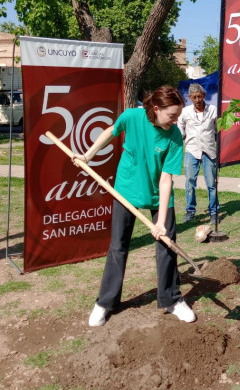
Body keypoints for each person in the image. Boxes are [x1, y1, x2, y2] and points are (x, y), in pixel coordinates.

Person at [72, 85, 196, 327]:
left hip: (158, 195)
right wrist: (87, 156)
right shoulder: (131, 117)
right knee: (118, 246)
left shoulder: (173, 136)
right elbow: (110, 131)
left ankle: (171, 300)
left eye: (178, 116)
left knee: (167, 245)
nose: (176, 120)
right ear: (157, 109)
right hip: (126, 190)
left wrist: (160, 222)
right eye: (172, 115)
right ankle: (105, 303)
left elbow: (166, 178)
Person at [178, 83, 219, 224]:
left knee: (212, 183)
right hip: (191, 150)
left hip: (209, 151)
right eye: (194, 97)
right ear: (189, 97)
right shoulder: (185, 112)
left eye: (199, 96)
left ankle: (214, 212)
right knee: (190, 182)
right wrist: (183, 138)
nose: (197, 100)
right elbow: (180, 129)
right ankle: (190, 211)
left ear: (204, 96)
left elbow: (217, 129)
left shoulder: (212, 110)